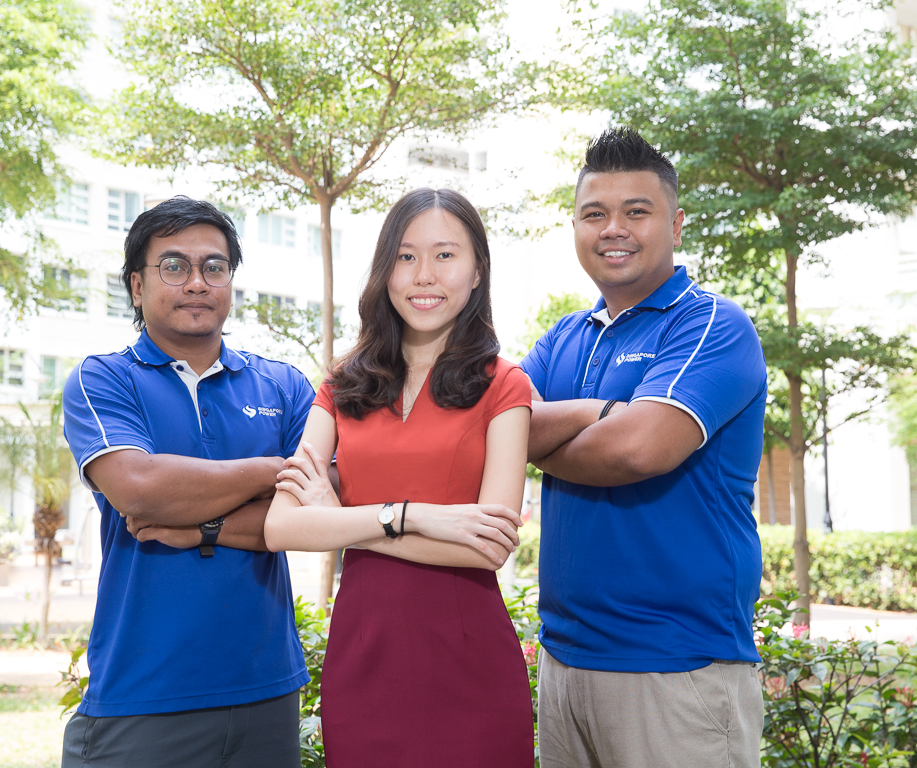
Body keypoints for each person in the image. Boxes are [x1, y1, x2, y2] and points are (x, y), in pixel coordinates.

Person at [265, 188, 537, 767]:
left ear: (476, 270)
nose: (424, 276)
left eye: (445, 255)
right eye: (406, 256)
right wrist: (411, 516)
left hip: (472, 667)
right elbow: (282, 527)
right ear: (385, 269)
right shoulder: (342, 383)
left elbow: (489, 546)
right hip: (363, 659)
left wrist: (340, 523)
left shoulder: (505, 385)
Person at [521, 128, 766, 768]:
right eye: (594, 214)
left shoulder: (712, 323)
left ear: (677, 224)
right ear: (575, 226)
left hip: (678, 668)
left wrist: (541, 440)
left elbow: (638, 451)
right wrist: (597, 413)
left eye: (637, 211)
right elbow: (493, 427)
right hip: (563, 663)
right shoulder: (563, 339)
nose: (614, 229)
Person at [59, 197, 311, 768]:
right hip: (142, 695)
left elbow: (323, 502)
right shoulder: (104, 379)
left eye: (214, 267)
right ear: (137, 287)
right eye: (173, 266)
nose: (196, 282)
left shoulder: (283, 385)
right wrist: (274, 471)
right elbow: (140, 490)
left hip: (266, 690)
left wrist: (205, 525)